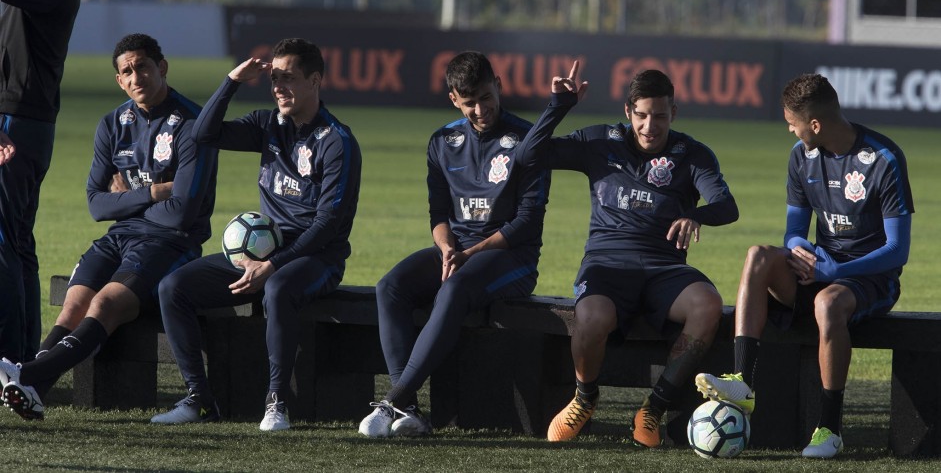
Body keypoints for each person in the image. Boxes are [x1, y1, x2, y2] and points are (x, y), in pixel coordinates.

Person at [696, 72, 914, 459]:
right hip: (821, 268)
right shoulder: (802, 156)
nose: (790, 132)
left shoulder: (884, 159)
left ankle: (829, 428)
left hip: (870, 279)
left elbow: (897, 250)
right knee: (757, 256)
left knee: (827, 303)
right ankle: (742, 383)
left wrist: (836, 272)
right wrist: (803, 253)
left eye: (793, 125)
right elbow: (794, 232)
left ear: (815, 124)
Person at [0, 33, 217, 421]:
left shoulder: (193, 124)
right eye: (127, 72)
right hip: (118, 237)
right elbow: (96, 205)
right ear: (119, 80)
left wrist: (128, 200)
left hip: (171, 243)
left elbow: (181, 214)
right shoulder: (113, 123)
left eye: (143, 67)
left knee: (104, 304)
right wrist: (155, 192)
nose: (137, 77)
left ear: (161, 67)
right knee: (72, 306)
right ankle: (35, 388)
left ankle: (28, 374)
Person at [522, 64, 739, 447]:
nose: (650, 126)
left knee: (708, 305)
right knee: (590, 317)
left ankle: (653, 409)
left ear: (673, 112)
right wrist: (558, 105)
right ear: (628, 112)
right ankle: (584, 399)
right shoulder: (599, 142)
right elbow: (528, 155)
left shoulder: (692, 155)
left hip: (664, 268)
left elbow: (726, 205)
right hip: (608, 265)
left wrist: (695, 214)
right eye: (641, 115)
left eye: (659, 115)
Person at [151, 38, 361, 432]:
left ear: (315, 80)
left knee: (278, 287)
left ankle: (276, 401)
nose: (279, 87)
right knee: (173, 287)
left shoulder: (338, 142)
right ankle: (199, 398)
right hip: (264, 252)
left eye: (289, 79)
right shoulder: (268, 125)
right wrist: (231, 81)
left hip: (317, 258)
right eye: (274, 78)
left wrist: (272, 265)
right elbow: (203, 135)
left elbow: (327, 224)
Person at [358, 51, 549, 438]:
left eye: (485, 97)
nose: (480, 109)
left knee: (456, 286)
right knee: (389, 287)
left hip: (511, 257)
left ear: (498, 84)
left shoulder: (528, 139)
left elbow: (527, 223)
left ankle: (394, 398)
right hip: (458, 251)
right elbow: (438, 214)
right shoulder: (443, 141)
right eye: (469, 102)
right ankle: (408, 410)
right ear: (453, 100)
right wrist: (447, 249)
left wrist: (469, 255)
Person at [0, 0, 81, 363]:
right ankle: (24, 354)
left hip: (18, 120)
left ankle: (9, 355)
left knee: (4, 242)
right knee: (18, 241)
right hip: (28, 119)